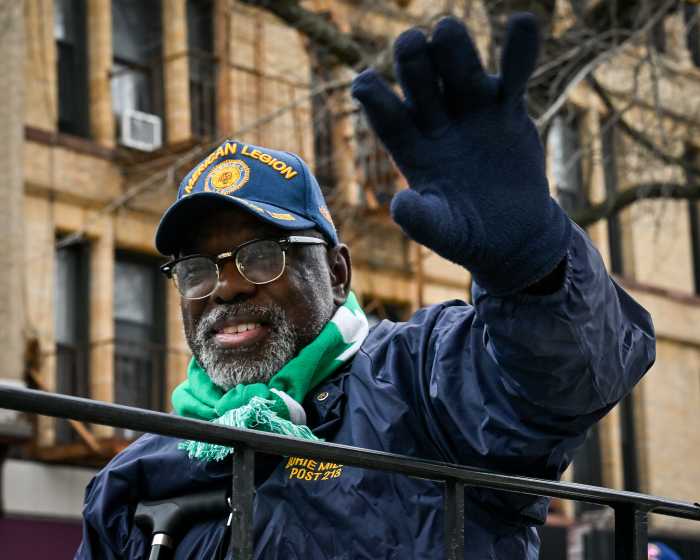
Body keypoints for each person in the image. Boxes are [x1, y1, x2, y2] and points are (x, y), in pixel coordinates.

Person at [76, 14, 655, 559]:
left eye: (262, 256)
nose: (225, 288)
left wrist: (532, 263)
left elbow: (563, 379)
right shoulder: (135, 477)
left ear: (336, 272)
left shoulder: (422, 380)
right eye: (198, 269)